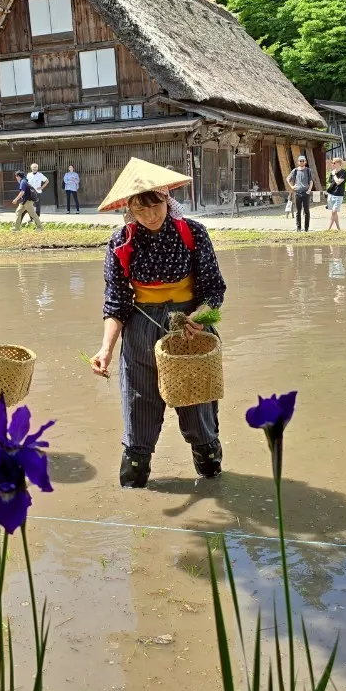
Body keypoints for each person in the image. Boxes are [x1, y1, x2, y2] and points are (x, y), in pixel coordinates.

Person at [89, 157, 226, 488]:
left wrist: (199, 318)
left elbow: (214, 291)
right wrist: (106, 348)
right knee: (139, 407)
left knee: (197, 408)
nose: (149, 215)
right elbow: (117, 302)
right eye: (140, 208)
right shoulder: (121, 241)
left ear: (168, 199)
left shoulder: (192, 233)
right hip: (140, 332)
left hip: (189, 330)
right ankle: (135, 485)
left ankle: (211, 475)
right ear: (129, 209)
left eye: (155, 205)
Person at [287, 155, 314, 232]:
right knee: (298, 211)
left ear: (305, 162)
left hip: (306, 193)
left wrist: (309, 190)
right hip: (297, 193)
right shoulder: (295, 171)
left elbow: (311, 182)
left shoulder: (308, 170)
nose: (302, 162)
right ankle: (298, 228)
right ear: (298, 162)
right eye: (300, 161)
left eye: (303, 161)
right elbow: (288, 179)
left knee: (306, 211)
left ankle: (306, 229)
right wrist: (292, 187)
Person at [324, 158, 346, 230]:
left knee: (334, 212)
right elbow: (330, 183)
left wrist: (334, 175)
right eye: (332, 163)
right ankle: (338, 228)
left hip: (339, 194)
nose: (332, 164)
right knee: (334, 212)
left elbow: (338, 182)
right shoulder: (332, 172)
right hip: (331, 194)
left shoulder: (344, 172)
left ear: (338, 163)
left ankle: (328, 228)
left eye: (334, 163)